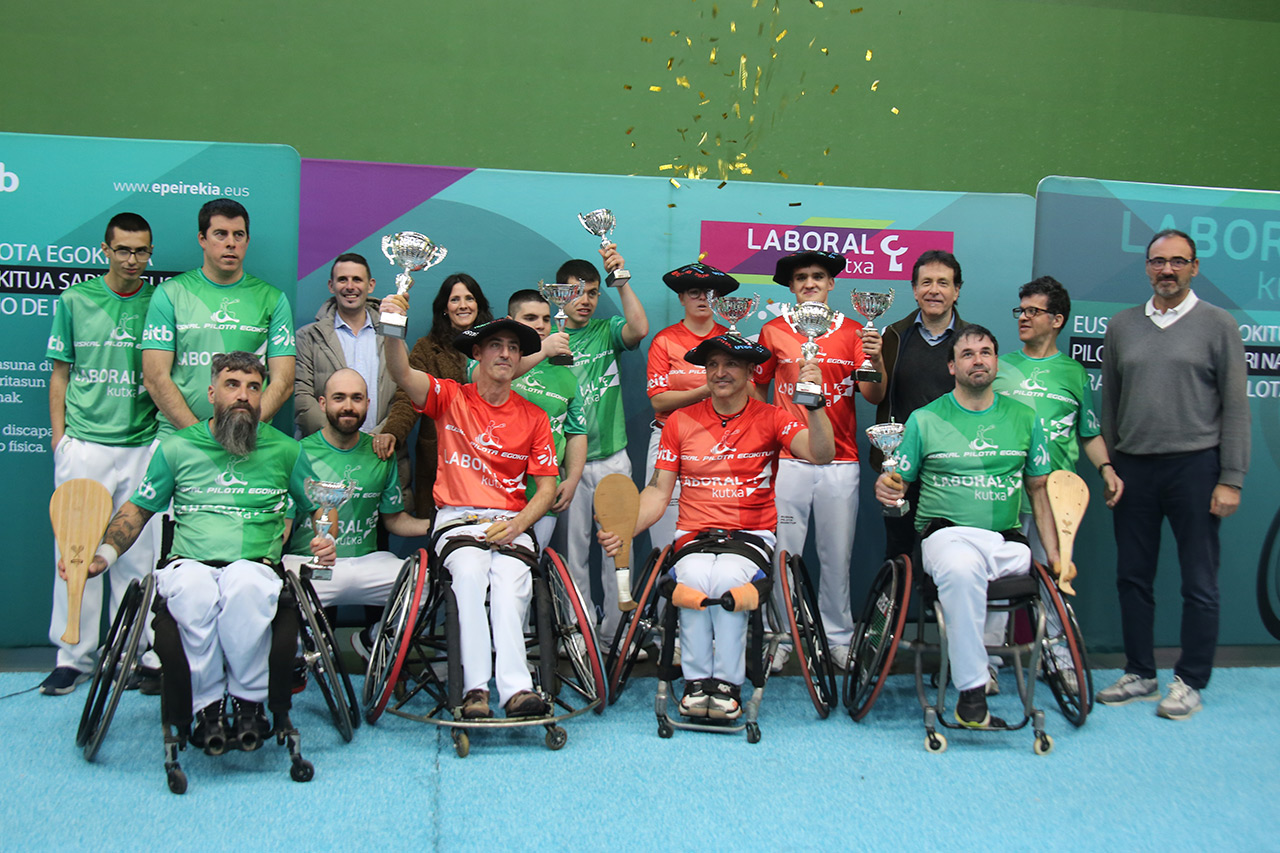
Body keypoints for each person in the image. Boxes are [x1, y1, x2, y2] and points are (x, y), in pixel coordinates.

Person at [74, 352, 314, 750]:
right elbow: (137, 509)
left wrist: (326, 534)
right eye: (232, 385)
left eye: (254, 387)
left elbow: (319, 503)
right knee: (193, 589)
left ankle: (248, 701)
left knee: (244, 585)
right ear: (212, 392)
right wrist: (105, 556)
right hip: (190, 563)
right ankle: (208, 708)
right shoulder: (177, 448)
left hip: (255, 564)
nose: (243, 396)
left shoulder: (287, 450)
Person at [599, 335, 834, 719]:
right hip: (694, 535)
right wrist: (627, 529)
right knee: (690, 577)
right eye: (712, 366)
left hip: (751, 536)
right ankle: (695, 682)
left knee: (726, 578)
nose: (720, 373)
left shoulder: (773, 417)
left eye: (730, 365)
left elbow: (821, 454)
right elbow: (659, 492)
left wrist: (818, 405)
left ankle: (725, 682)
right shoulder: (679, 421)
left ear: (749, 371)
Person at [874, 324, 1063, 728]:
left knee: (1005, 565)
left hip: (1005, 541)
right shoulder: (924, 420)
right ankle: (972, 695)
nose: (978, 360)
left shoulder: (1026, 419)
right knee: (963, 569)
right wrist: (887, 488)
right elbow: (898, 482)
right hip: (946, 536)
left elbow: (1040, 494)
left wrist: (1057, 557)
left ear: (996, 362)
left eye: (986, 352)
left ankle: (982, 665)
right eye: (967, 354)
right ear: (951, 366)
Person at [1097, 228, 1249, 720]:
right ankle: (1140, 672)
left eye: (1177, 262)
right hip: (1134, 468)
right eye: (1158, 262)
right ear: (1146, 267)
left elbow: (1236, 408)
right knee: (1132, 577)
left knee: (1199, 581)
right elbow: (1112, 404)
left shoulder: (1218, 324)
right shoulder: (1122, 325)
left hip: (1196, 467)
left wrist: (1232, 478)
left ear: (1194, 267)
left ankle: (1190, 679)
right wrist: (1113, 467)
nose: (1167, 270)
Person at [383, 300, 559, 720]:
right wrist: (393, 328)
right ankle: (476, 688)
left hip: (510, 523)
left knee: (511, 581)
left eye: (513, 348)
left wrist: (518, 524)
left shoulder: (535, 417)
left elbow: (547, 489)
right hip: (458, 518)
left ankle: (517, 689)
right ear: (476, 354)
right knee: (470, 573)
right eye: (494, 345)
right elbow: (401, 373)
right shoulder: (448, 396)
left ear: (520, 359)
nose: (504, 354)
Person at [984, 275, 1123, 694]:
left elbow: (1090, 432)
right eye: (1020, 310)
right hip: (1003, 495)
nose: (1023, 318)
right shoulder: (999, 366)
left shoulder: (1075, 374)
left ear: (1057, 319)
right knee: (995, 580)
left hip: (1058, 498)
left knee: (1055, 578)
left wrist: (1106, 470)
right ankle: (986, 662)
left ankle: (1056, 658)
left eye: (1033, 311)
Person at [41, 212, 161, 695]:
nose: (133, 259)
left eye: (142, 250)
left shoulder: (159, 301)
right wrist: (59, 438)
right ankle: (73, 656)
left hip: (142, 445)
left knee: (138, 558)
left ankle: (141, 653)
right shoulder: (75, 300)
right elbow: (60, 374)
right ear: (105, 250)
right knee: (76, 553)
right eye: (124, 249)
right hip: (85, 445)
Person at [753, 250, 885, 669]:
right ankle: (783, 637)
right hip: (789, 462)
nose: (810, 283)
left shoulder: (853, 332)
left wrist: (877, 359)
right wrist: (769, 429)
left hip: (840, 462)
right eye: (801, 278)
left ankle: (837, 637)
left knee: (836, 555)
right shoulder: (772, 331)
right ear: (791, 288)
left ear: (832, 285)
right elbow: (756, 388)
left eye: (818, 276)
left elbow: (874, 395)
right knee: (784, 552)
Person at [281, 369, 432, 657]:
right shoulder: (297, 453)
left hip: (367, 565)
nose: (348, 406)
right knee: (278, 605)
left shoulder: (380, 454)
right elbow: (285, 524)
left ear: (367, 404)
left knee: (424, 586)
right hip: (312, 565)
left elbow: (394, 520)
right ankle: (303, 656)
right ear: (323, 403)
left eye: (356, 398)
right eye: (339, 398)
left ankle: (372, 639)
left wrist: (438, 525)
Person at [141, 198, 295, 440]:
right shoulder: (170, 293)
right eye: (220, 234)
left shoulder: (273, 299)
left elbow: (283, 382)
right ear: (202, 239)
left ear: (248, 240)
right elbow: (154, 377)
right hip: (179, 440)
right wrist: (199, 435)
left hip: (247, 440)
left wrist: (240, 430)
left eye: (238, 235)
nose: (231, 243)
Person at [556, 244, 648, 649]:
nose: (586, 300)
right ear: (558, 294)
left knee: (619, 551)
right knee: (574, 554)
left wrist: (621, 279)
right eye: (576, 291)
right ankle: (579, 631)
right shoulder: (547, 340)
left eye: (592, 292)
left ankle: (616, 631)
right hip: (566, 467)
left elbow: (639, 328)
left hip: (613, 459)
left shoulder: (605, 331)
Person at [873, 249, 966, 559]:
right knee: (898, 553)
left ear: (957, 290)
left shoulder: (971, 342)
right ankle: (895, 608)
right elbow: (877, 395)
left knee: (949, 555)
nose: (934, 290)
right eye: (926, 282)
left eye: (943, 282)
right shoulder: (894, 336)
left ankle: (936, 610)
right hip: (901, 467)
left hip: (952, 468)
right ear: (914, 290)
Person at [382, 273, 493, 519]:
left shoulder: (496, 344)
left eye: (469, 298)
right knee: (441, 536)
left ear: (479, 305)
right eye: (455, 300)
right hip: (441, 458)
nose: (463, 305)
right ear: (444, 308)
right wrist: (393, 431)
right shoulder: (426, 348)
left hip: (489, 456)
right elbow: (406, 397)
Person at [644, 263, 736, 552]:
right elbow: (658, 400)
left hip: (720, 441)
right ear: (682, 298)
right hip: (668, 437)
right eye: (694, 292)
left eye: (710, 293)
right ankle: (661, 596)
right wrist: (708, 389)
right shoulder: (665, 340)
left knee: (713, 537)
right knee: (663, 539)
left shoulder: (730, 339)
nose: (703, 299)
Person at [504, 289, 587, 551]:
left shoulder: (567, 377)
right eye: (530, 318)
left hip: (542, 492)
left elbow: (576, 432)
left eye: (546, 318)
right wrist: (542, 350)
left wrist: (572, 478)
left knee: (532, 569)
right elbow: (484, 381)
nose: (540, 325)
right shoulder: (495, 360)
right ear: (511, 321)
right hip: (496, 491)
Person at [293, 253, 397, 454]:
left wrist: (380, 436)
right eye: (343, 280)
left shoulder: (391, 335)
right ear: (331, 286)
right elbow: (302, 397)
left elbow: (403, 395)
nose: (350, 286)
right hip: (323, 454)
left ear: (371, 285)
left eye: (357, 279)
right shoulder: (308, 338)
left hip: (380, 453)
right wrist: (337, 439)